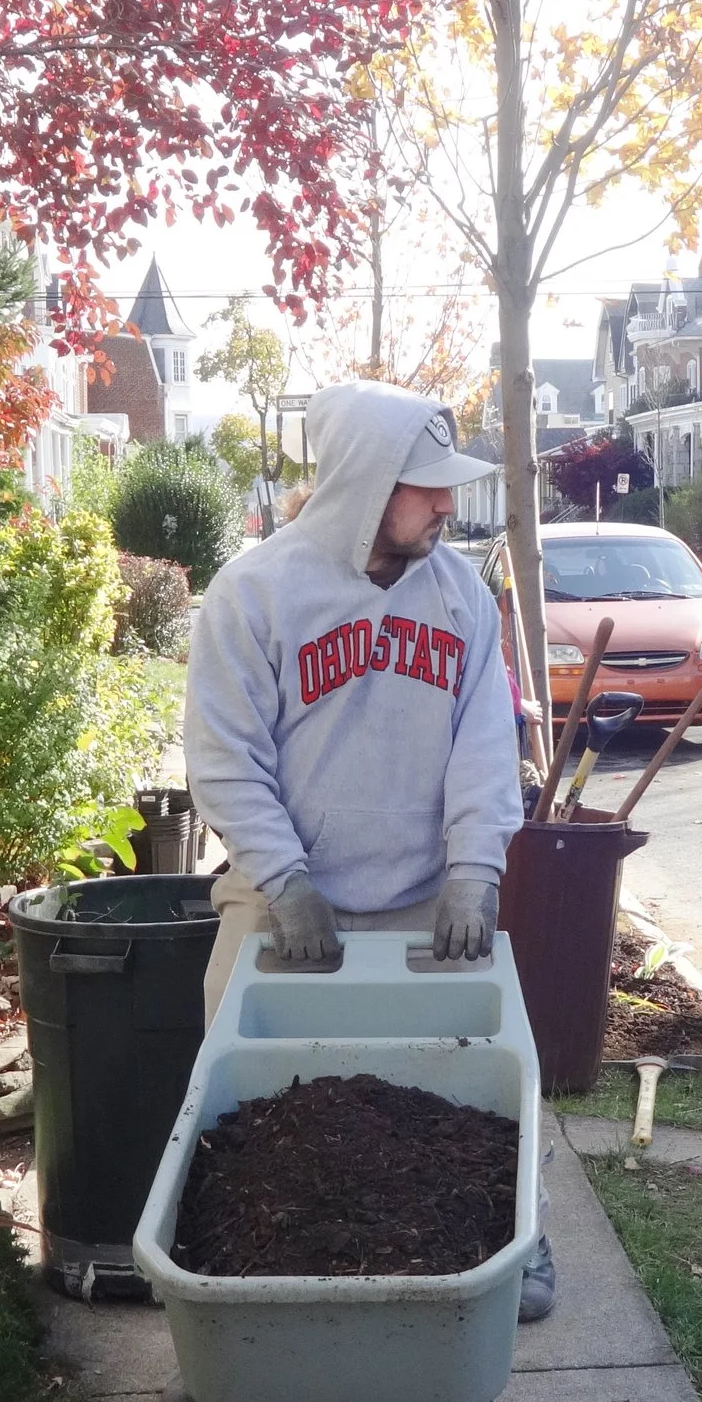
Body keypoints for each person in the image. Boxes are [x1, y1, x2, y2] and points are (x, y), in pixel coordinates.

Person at [185, 380, 553, 1320]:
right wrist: (284, 879)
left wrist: (475, 871)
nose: (445, 502)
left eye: (447, 485)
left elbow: (483, 744)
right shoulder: (256, 593)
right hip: (285, 897)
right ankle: (215, 1310)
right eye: (423, 485)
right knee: (233, 1090)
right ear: (361, 479)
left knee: (471, 1078)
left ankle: (515, 1239)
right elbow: (225, 758)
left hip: (424, 899)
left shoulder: (459, 593)